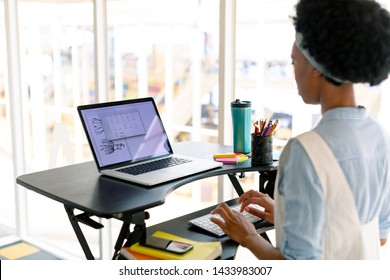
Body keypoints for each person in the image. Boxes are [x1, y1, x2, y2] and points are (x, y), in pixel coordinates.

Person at [211, 0, 390, 260]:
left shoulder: (304, 151)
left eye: (294, 63)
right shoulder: (379, 136)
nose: (294, 74)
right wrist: (287, 215)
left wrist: (247, 236)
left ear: (315, 68)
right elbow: (377, 234)